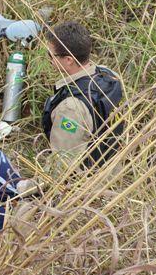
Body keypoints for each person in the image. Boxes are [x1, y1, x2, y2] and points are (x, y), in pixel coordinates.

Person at [41, 21, 124, 170]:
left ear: (68, 60)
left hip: (87, 184)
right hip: (114, 168)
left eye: (51, 55)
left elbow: (60, 164)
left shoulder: (71, 108)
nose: (49, 60)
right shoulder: (110, 75)